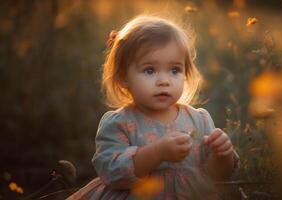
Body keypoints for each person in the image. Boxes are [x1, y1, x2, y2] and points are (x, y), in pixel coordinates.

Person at [67, 15, 240, 200]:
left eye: (175, 70)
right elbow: (112, 174)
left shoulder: (199, 119)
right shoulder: (120, 123)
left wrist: (222, 155)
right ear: (123, 77)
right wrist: (158, 153)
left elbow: (216, 177)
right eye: (150, 70)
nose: (164, 81)